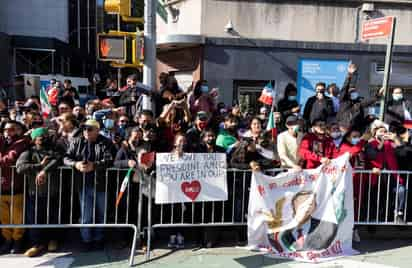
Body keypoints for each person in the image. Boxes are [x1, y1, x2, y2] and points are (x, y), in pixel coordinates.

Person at [63, 119, 116, 251]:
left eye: (90, 128)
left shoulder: (106, 142)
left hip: (101, 184)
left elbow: (110, 159)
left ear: (97, 130)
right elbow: (66, 158)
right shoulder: (76, 141)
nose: (86, 131)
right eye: (84, 128)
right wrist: (76, 164)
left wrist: (94, 166)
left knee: (101, 214)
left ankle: (99, 239)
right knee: (86, 216)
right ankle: (86, 240)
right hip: (83, 184)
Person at [16, 128, 64, 257]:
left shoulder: (54, 150)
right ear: (34, 139)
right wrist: (38, 167)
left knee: (53, 217)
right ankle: (36, 244)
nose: (42, 138)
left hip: (53, 191)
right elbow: (20, 167)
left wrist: (44, 171)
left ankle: (53, 240)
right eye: (39, 136)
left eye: (44, 136)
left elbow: (58, 160)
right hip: (34, 192)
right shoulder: (28, 152)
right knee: (35, 220)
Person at [266, 191, 338, 252]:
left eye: (310, 203)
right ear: (293, 205)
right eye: (302, 202)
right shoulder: (279, 228)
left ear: (315, 207)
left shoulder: (327, 227)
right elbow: (273, 240)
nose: (306, 206)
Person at [365, 120, 405, 223]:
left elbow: (403, 152)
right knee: (377, 198)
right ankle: (373, 218)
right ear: (375, 133)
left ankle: (399, 214)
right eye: (380, 131)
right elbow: (372, 155)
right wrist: (382, 142)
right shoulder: (370, 144)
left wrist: (396, 139)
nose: (383, 133)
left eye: (384, 131)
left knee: (401, 191)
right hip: (376, 177)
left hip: (392, 176)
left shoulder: (391, 143)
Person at [0, 121, 30, 254]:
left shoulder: (21, 142)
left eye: (11, 129)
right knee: (4, 217)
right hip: (2, 186)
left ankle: (18, 241)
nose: (8, 132)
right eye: (6, 129)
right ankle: (7, 240)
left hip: (15, 186)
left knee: (17, 217)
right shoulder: (2, 142)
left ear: (17, 130)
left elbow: (10, 158)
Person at [337, 64, 384, 131]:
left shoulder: (358, 104)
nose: (354, 93)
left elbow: (367, 102)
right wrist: (350, 75)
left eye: (354, 91)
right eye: (351, 92)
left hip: (356, 131)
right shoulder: (344, 101)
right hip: (344, 128)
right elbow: (345, 88)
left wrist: (377, 96)